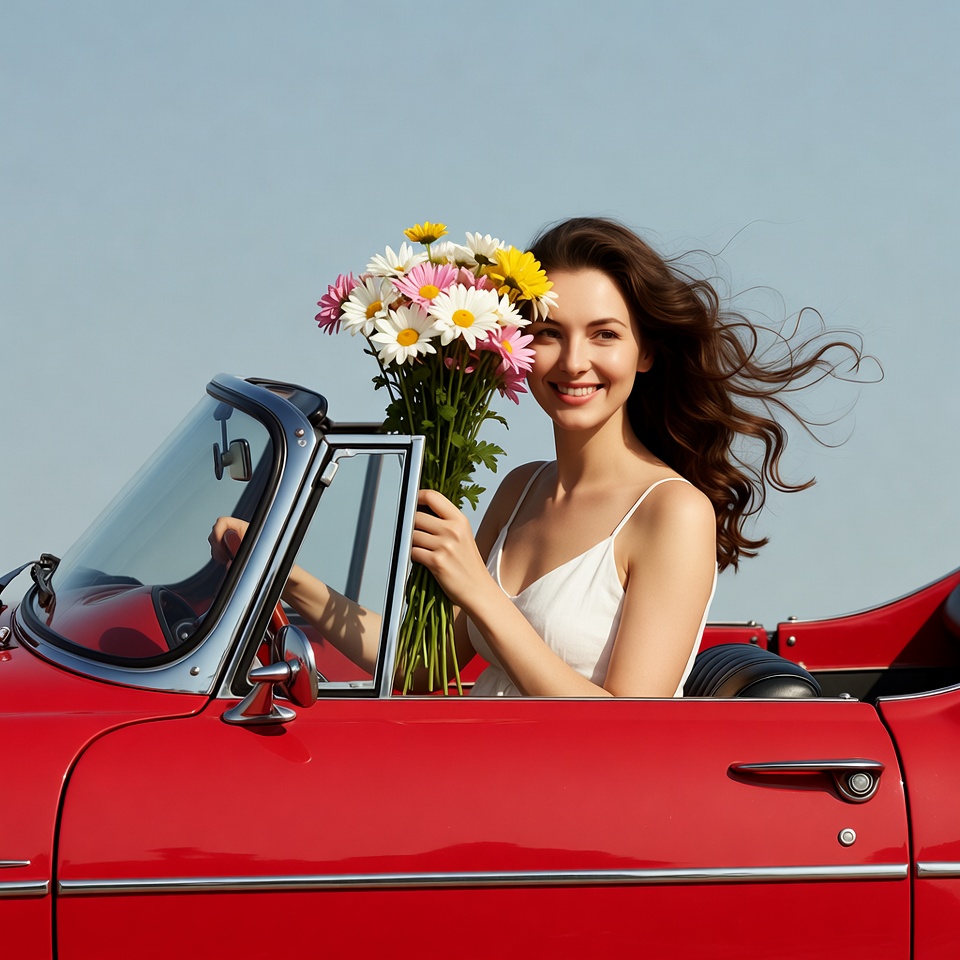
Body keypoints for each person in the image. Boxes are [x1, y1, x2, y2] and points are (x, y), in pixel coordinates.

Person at [211, 216, 866, 698]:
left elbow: (628, 731)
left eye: (603, 335)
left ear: (644, 353)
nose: (574, 362)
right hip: (485, 789)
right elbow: (421, 668)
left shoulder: (673, 513)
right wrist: (281, 572)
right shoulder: (521, 488)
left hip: (578, 828)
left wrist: (477, 588)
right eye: (549, 335)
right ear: (519, 348)